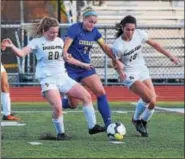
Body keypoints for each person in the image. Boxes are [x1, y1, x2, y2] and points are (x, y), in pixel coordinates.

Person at [1, 17, 105, 140]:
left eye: (56, 32)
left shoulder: (60, 41)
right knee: (58, 106)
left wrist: (83, 65)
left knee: (86, 96)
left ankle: (92, 127)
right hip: (48, 79)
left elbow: (68, 58)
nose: (54, 34)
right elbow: (21, 53)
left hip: (63, 77)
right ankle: (61, 133)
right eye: (52, 32)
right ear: (44, 30)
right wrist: (11, 45)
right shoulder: (37, 42)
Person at [111, 15, 181, 137]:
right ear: (122, 28)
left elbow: (155, 44)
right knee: (148, 97)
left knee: (153, 101)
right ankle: (136, 119)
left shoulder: (139, 34)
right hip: (129, 73)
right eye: (128, 29)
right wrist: (119, 72)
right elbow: (114, 62)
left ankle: (142, 121)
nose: (130, 32)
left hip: (142, 69)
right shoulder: (118, 46)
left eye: (133, 29)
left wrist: (170, 55)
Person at [61, 6, 123, 129]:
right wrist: (65, 55)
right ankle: (56, 101)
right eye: (90, 21)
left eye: (94, 23)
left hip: (86, 69)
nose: (92, 25)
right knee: (73, 104)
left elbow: (105, 47)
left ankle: (108, 124)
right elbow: (65, 49)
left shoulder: (95, 32)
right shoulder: (75, 28)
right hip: (70, 69)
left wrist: (116, 60)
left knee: (101, 92)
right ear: (83, 19)